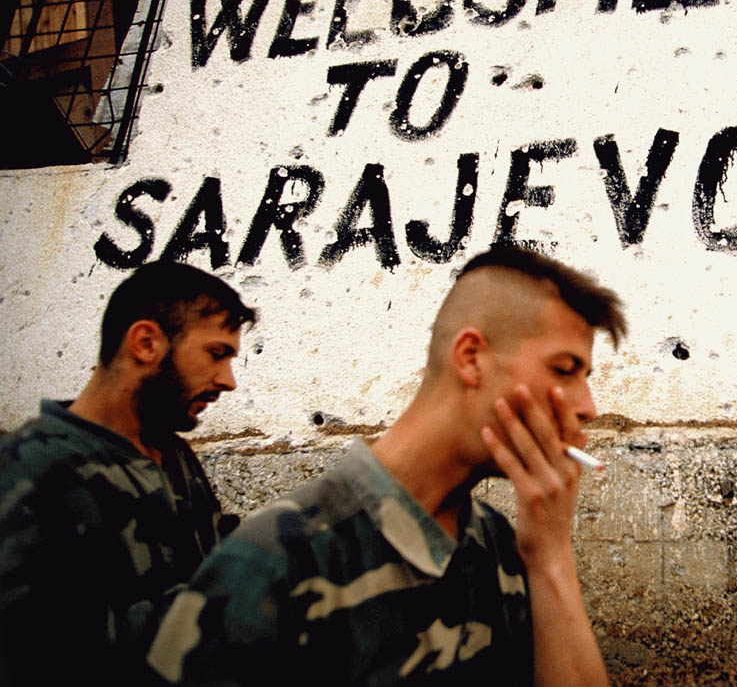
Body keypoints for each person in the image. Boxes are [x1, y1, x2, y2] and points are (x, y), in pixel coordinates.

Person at [147, 245, 624, 686]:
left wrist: (551, 556)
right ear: (471, 358)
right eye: (564, 370)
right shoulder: (274, 565)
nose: (587, 406)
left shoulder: (497, 545)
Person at [0, 260, 256, 684]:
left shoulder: (172, 454)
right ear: (145, 343)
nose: (228, 381)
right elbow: (37, 650)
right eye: (216, 354)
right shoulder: (29, 470)